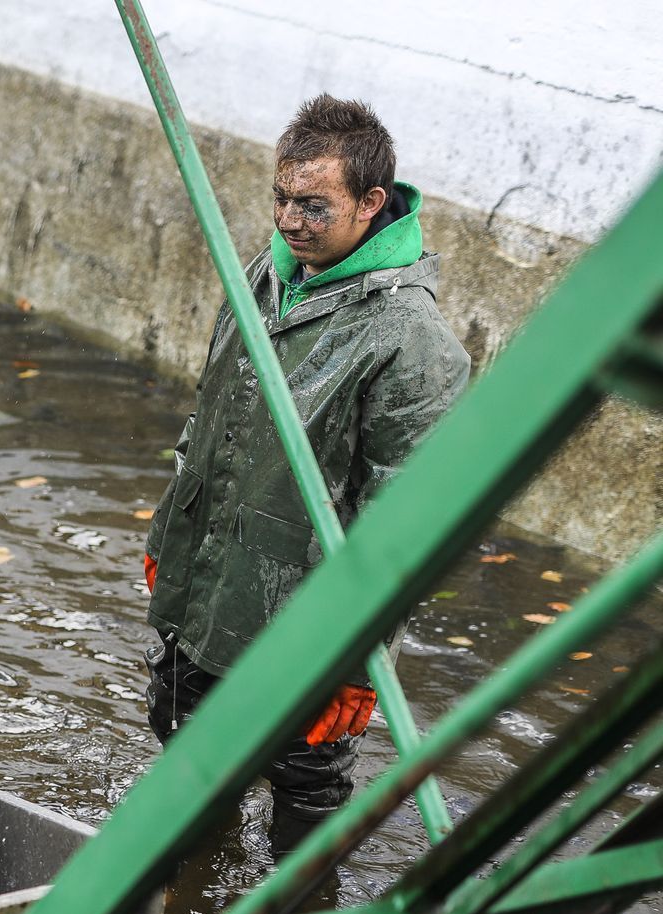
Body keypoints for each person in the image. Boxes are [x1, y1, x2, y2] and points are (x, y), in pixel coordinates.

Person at [142, 94, 469, 854]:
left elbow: (409, 533)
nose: (289, 221)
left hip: (304, 624)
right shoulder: (264, 274)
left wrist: (356, 669)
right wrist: (175, 531)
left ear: (371, 203)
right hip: (208, 588)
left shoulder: (410, 343)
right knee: (186, 757)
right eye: (281, 199)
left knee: (303, 793)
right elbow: (213, 412)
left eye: (313, 205)